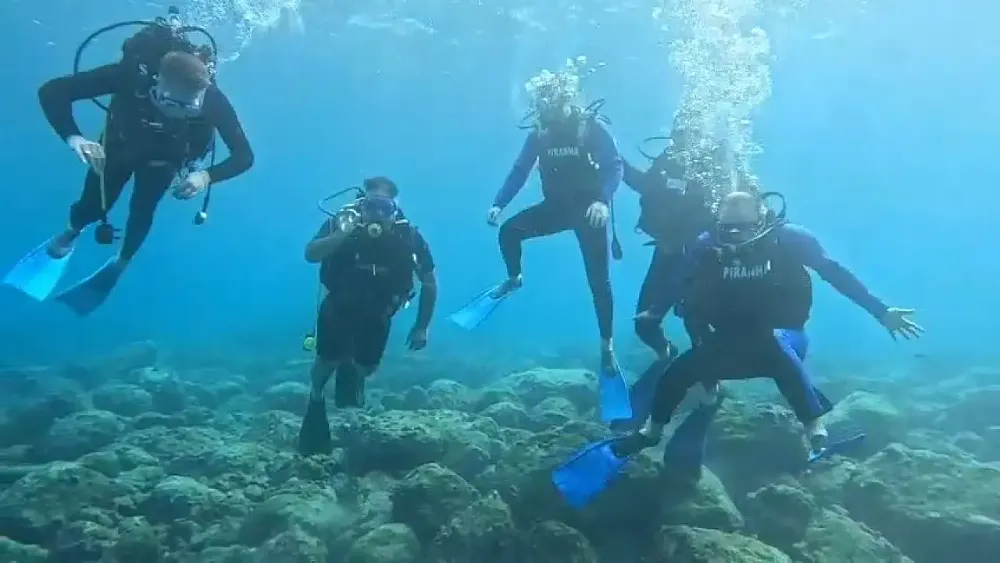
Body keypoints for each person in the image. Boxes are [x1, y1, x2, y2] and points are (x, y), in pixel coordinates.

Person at [552, 190, 923, 507]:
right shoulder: (706, 245)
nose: (734, 236)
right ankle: (651, 432)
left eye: (742, 228)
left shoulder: (789, 239)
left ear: (762, 218)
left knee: (779, 352)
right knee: (679, 372)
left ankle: (816, 432)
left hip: (782, 334)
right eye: (727, 228)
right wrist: (655, 312)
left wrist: (881, 311)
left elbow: (835, 273)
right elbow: (680, 283)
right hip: (727, 340)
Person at [2, 12, 253, 315]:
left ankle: (122, 261)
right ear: (156, 82)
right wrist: (75, 139)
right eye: (174, 104)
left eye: (192, 107)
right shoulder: (130, 75)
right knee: (93, 204)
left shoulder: (213, 101)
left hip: (166, 159)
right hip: (119, 145)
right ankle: (70, 233)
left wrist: (205, 177)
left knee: (144, 207)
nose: (183, 113)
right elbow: (52, 91)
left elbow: (244, 156)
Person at [449, 71, 630, 422]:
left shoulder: (589, 128)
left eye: (552, 100)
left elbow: (614, 167)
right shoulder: (539, 135)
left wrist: (603, 202)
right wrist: (499, 203)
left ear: (567, 100)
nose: (546, 108)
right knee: (509, 233)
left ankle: (606, 345)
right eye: (540, 102)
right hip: (556, 209)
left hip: (590, 211)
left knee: (599, 281)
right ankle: (514, 278)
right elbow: (520, 171)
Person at [298, 177, 438, 456]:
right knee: (327, 359)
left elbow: (430, 282)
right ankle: (316, 397)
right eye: (372, 206)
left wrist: (422, 327)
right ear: (361, 206)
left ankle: (353, 369)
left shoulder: (408, 236)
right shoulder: (341, 224)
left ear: (395, 210)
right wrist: (339, 235)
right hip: (339, 306)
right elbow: (311, 254)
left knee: (367, 367)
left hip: (379, 313)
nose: (378, 215)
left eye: (385, 208)